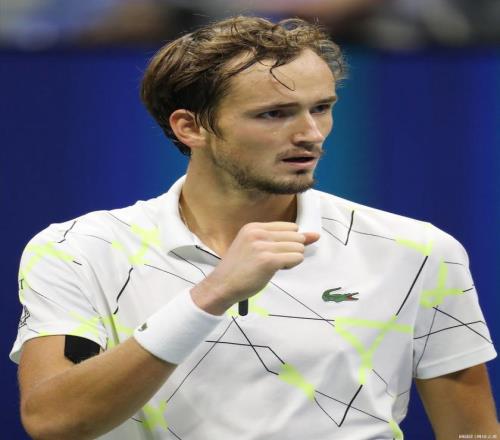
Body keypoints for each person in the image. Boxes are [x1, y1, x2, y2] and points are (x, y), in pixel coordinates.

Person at [10, 15, 498, 440]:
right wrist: (211, 295)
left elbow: (473, 431)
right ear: (190, 127)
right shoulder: (77, 249)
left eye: (321, 107)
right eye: (274, 114)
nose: (310, 134)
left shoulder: (419, 250)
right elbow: (53, 421)